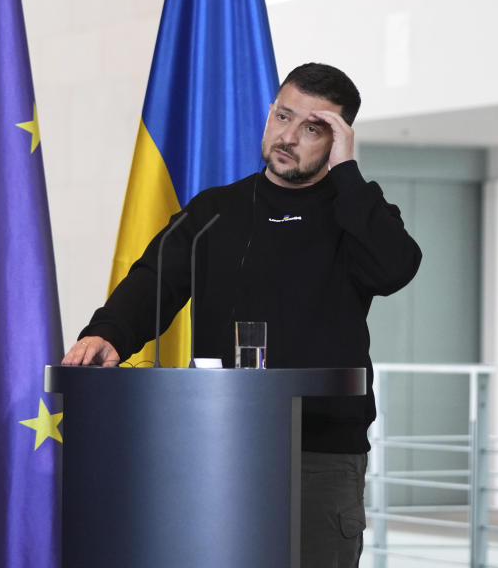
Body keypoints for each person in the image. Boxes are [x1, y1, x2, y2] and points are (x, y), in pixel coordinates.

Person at [62, 62, 422, 566]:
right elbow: (152, 282)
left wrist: (347, 174)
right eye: (282, 116)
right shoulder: (214, 211)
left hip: (319, 456)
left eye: (313, 129)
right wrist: (108, 334)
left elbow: (394, 269)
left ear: (339, 140)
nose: (288, 137)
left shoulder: (358, 212)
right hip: (216, 442)